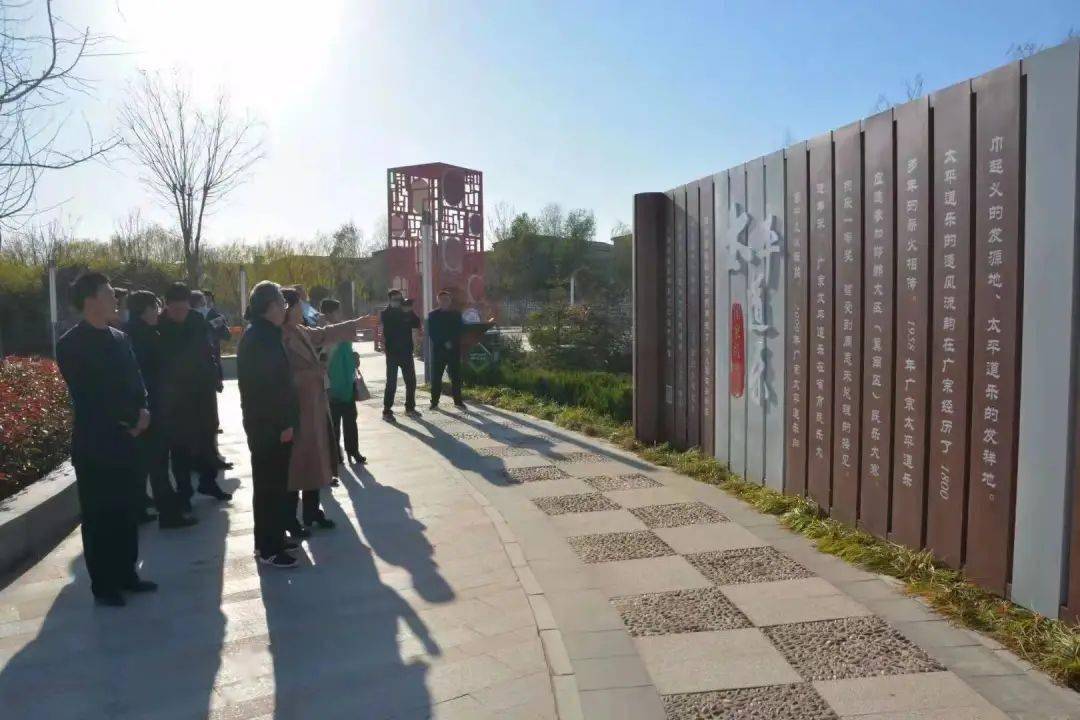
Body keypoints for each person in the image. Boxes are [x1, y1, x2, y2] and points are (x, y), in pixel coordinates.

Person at [56, 272, 157, 606]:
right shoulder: (70, 345)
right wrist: (128, 419)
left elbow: (136, 379)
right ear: (90, 300)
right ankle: (104, 583)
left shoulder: (120, 337)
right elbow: (92, 396)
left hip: (129, 440)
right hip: (97, 442)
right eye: (110, 293)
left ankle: (127, 572)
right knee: (100, 514)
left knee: (127, 509)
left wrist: (143, 410)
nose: (116, 298)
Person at [280, 288, 363, 533]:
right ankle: (291, 519)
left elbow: (324, 334)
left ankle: (312, 511)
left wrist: (354, 324)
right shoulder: (280, 337)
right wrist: (315, 371)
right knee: (298, 465)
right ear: (286, 308)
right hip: (298, 407)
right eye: (298, 306)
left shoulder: (301, 330)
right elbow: (283, 376)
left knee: (316, 458)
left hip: (315, 404)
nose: (301, 310)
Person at [237, 281, 300, 569]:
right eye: (282, 305)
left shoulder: (267, 334)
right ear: (271, 307)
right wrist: (283, 423)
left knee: (275, 486)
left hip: (272, 424)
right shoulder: (259, 339)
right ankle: (268, 548)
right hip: (268, 427)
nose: (285, 310)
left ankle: (273, 536)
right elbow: (266, 389)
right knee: (268, 487)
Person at [124, 290, 198, 530]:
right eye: (155, 307)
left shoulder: (129, 333)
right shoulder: (144, 336)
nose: (158, 311)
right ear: (145, 310)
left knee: (144, 463)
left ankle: (138, 508)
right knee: (158, 464)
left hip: (143, 407)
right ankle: (169, 514)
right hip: (152, 407)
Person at [158, 282, 232, 510]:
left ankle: (208, 482)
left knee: (207, 436)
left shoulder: (197, 320)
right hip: (176, 396)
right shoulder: (160, 326)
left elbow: (207, 351)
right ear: (167, 306)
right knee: (180, 445)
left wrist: (215, 376)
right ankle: (184, 492)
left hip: (202, 390)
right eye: (176, 310)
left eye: (184, 309)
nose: (181, 314)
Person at [322, 298, 367, 466]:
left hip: (347, 382)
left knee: (350, 419)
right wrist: (327, 384)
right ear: (329, 313)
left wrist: (354, 357)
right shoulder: (323, 332)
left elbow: (348, 349)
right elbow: (323, 361)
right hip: (332, 385)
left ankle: (353, 450)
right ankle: (335, 455)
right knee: (334, 423)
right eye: (337, 311)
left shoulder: (342, 330)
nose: (340, 315)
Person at [380, 289, 421, 421]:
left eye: (400, 299)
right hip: (392, 353)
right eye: (396, 300)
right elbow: (389, 324)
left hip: (406, 352)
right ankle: (387, 410)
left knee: (411, 382)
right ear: (390, 300)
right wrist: (401, 312)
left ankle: (410, 408)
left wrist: (409, 311)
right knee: (391, 383)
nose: (399, 302)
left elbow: (416, 322)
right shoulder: (386, 313)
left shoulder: (406, 311)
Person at [427, 289, 466, 410]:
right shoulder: (432, 315)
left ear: (450, 301)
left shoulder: (456, 314)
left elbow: (460, 331)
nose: (444, 301)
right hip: (438, 351)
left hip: (453, 351)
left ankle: (458, 401)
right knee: (436, 378)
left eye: (446, 299)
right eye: (442, 299)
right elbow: (432, 333)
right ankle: (434, 402)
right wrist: (444, 343)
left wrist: (451, 342)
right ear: (438, 301)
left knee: (456, 377)